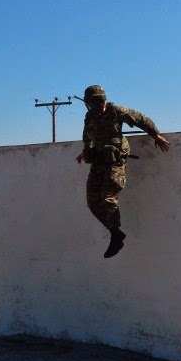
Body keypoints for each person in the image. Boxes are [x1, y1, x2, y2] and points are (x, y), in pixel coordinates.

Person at [75, 85, 170, 258]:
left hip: (115, 162)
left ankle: (115, 235)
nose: (94, 105)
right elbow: (88, 137)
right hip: (98, 161)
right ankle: (115, 233)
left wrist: (155, 135)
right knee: (92, 202)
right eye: (91, 102)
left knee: (107, 198)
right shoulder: (89, 117)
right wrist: (85, 151)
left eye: (96, 101)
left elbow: (141, 118)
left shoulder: (115, 111)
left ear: (101, 100)